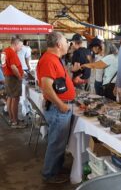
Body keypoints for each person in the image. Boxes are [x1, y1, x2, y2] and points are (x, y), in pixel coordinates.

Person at [36, 31, 75, 184]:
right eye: (66, 41)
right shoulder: (48, 60)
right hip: (58, 109)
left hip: (60, 108)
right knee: (56, 143)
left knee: (58, 142)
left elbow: (57, 83)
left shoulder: (54, 59)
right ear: (59, 44)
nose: (67, 44)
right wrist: (61, 105)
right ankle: (49, 174)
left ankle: (55, 169)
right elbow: (46, 87)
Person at [1, 36, 25, 128]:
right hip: (13, 79)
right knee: (15, 100)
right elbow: (13, 67)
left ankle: (12, 119)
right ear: (15, 44)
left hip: (8, 77)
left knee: (10, 98)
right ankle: (15, 122)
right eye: (20, 45)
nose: (21, 47)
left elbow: (5, 65)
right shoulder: (12, 53)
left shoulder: (5, 51)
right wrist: (19, 77)